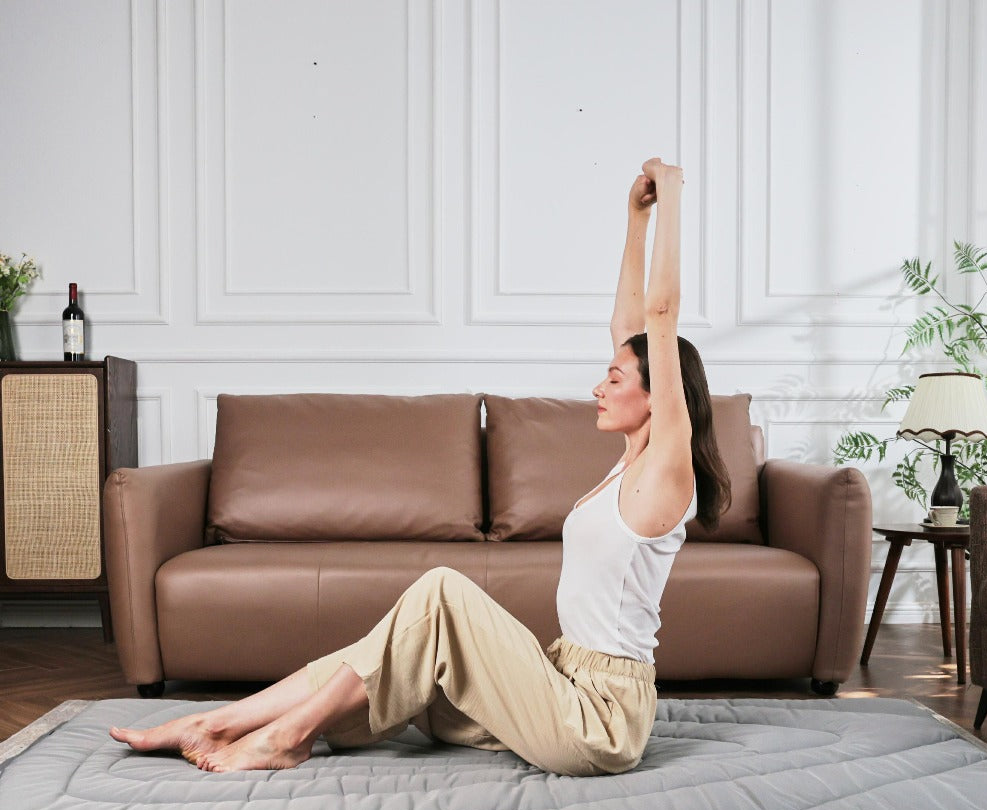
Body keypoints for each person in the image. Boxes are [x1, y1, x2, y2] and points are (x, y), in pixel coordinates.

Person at [110, 158, 730, 776]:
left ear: (658, 397)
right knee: (398, 658)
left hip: (598, 720)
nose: (598, 386)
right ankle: (216, 721)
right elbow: (631, 328)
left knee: (441, 592)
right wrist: (634, 218)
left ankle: (286, 739)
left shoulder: (666, 473)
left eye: (614, 379)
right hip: (559, 674)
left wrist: (672, 193)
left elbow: (660, 318)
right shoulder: (627, 466)